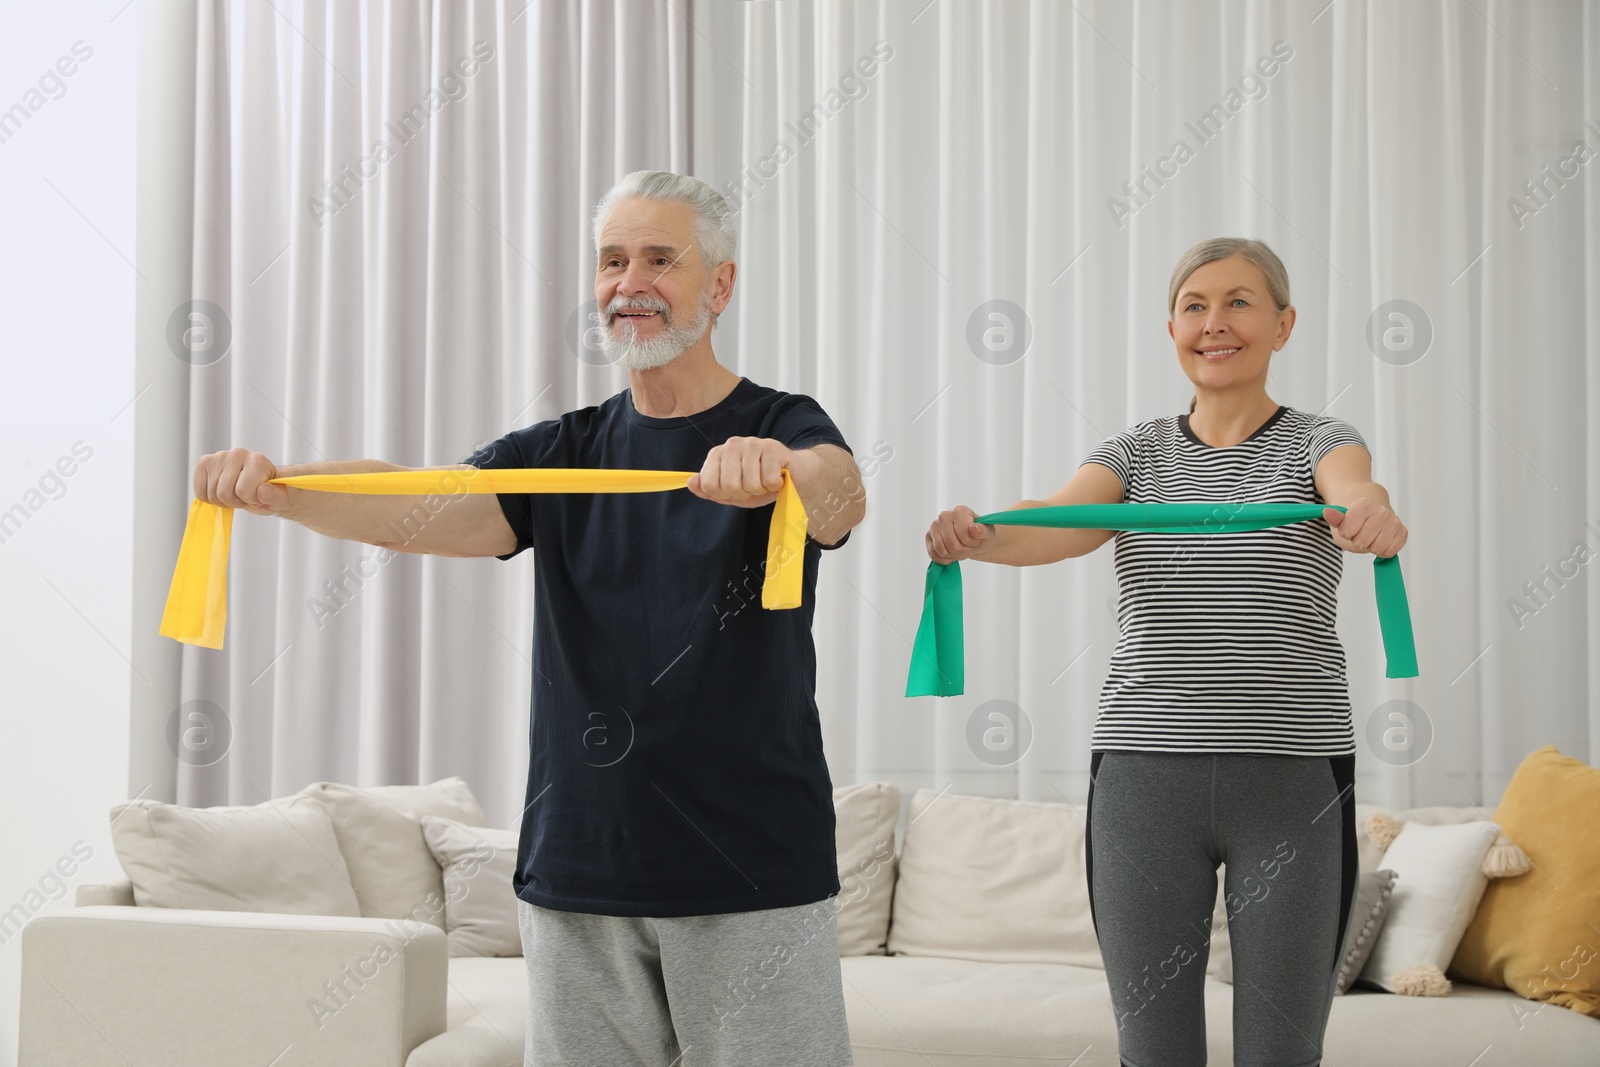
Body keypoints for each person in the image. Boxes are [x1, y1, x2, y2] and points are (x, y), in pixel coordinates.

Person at [192, 170, 862, 1067]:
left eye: (661, 259)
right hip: (577, 876)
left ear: (720, 284)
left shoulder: (783, 424)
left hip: (754, 871)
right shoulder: (563, 453)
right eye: (612, 261)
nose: (630, 284)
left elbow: (840, 497)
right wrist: (279, 486)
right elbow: (420, 499)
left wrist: (782, 465)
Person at [923, 237, 1408, 1066]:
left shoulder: (1321, 439)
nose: (1215, 323)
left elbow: (1356, 487)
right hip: (1144, 780)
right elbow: (1059, 521)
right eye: (1194, 306)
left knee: (1282, 1053)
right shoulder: (1136, 452)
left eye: (1239, 302)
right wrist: (979, 535)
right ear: (1172, 328)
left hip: (1292, 776)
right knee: (1152, 1052)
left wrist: (1371, 510)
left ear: (1284, 324)